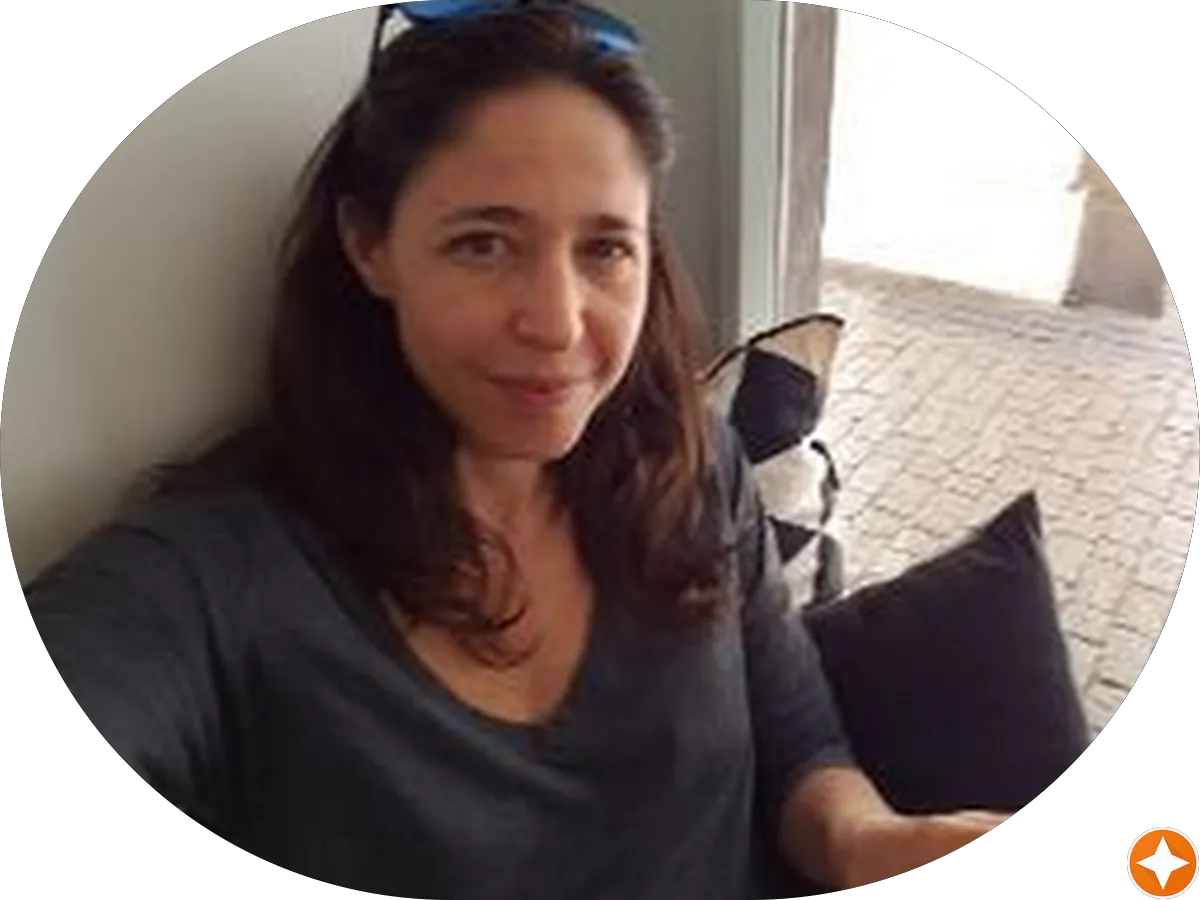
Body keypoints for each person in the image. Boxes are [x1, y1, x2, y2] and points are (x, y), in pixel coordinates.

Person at [23, 3, 1013, 897]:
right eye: (483, 243)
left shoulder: (695, 466)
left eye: (604, 248)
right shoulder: (214, 578)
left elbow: (800, 744)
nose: (557, 322)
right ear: (370, 245)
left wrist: (871, 842)